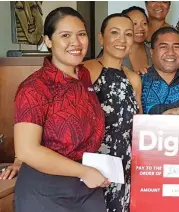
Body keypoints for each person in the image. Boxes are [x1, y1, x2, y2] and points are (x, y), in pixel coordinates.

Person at [12, 7, 109, 211]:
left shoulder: (83, 76)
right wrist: (83, 172)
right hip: (45, 190)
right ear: (48, 40)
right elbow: (26, 149)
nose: (76, 42)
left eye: (81, 34)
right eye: (65, 35)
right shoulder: (35, 87)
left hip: (86, 187)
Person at [82, 13, 143, 212]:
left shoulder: (133, 78)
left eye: (128, 34)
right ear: (101, 37)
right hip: (91, 167)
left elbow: (139, 124)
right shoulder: (86, 70)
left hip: (123, 166)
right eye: (114, 32)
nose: (121, 40)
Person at [122, 6, 152, 72]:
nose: (140, 28)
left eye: (144, 23)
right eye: (134, 24)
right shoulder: (116, 53)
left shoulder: (154, 52)